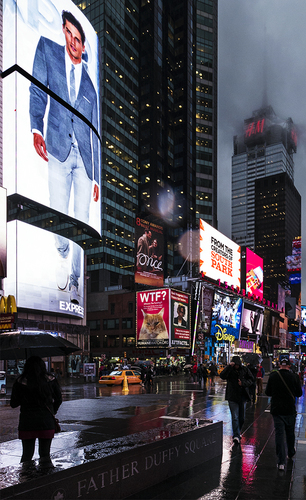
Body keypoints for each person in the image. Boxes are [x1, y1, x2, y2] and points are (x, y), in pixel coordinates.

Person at [29, 10, 100, 305]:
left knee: (81, 220)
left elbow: (95, 136)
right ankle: (61, 256)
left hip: (83, 161)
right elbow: (37, 90)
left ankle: (74, 278)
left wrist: (95, 177)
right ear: (63, 31)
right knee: (59, 212)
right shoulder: (47, 50)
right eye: (69, 33)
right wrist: (35, 126)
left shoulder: (92, 89)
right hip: (57, 149)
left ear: (84, 46)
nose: (73, 40)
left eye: (78, 38)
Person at [10, 356, 63, 467]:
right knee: (45, 455)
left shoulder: (20, 382)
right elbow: (58, 399)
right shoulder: (51, 380)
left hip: (27, 422)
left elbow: (13, 404)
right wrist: (53, 411)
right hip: (46, 421)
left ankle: (26, 480)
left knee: (27, 455)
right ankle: (46, 479)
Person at [265, 354, 303, 470]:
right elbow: (299, 393)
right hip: (290, 409)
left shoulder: (273, 376)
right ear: (290, 365)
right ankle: (291, 451)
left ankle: (281, 461)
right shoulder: (294, 377)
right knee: (290, 432)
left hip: (277, 409)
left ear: (279, 364)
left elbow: (268, 392)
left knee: (279, 434)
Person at [220, 356, 254, 444]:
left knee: (241, 418)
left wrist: (243, 383)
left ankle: (238, 431)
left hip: (242, 396)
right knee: (235, 417)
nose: (236, 366)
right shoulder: (230, 370)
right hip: (232, 396)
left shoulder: (245, 370)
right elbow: (222, 376)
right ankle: (236, 435)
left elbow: (251, 379)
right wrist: (228, 367)